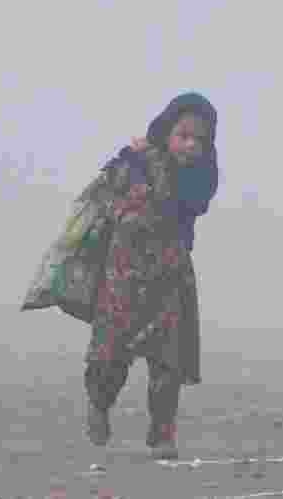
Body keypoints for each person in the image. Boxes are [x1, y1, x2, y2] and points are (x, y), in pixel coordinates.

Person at [81, 92, 219, 461]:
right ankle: (99, 404)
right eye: (184, 135)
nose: (191, 145)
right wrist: (137, 170)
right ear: (166, 131)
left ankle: (162, 435)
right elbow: (103, 197)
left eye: (200, 140)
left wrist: (161, 164)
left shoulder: (200, 176)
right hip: (123, 276)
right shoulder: (134, 161)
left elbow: (194, 202)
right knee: (111, 355)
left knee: (168, 362)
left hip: (170, 275)